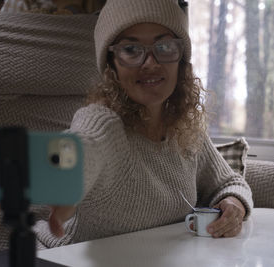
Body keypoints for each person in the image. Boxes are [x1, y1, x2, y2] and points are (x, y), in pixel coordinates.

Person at [33, 0, 253, 248]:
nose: (150, 62)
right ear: (111, 66)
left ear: (181, 62)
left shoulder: (186, 131)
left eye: (165, 46)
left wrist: (234, 203)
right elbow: (83, 146)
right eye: (131, 49)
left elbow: (229, 182)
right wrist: (61, 177)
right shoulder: (102, 121)